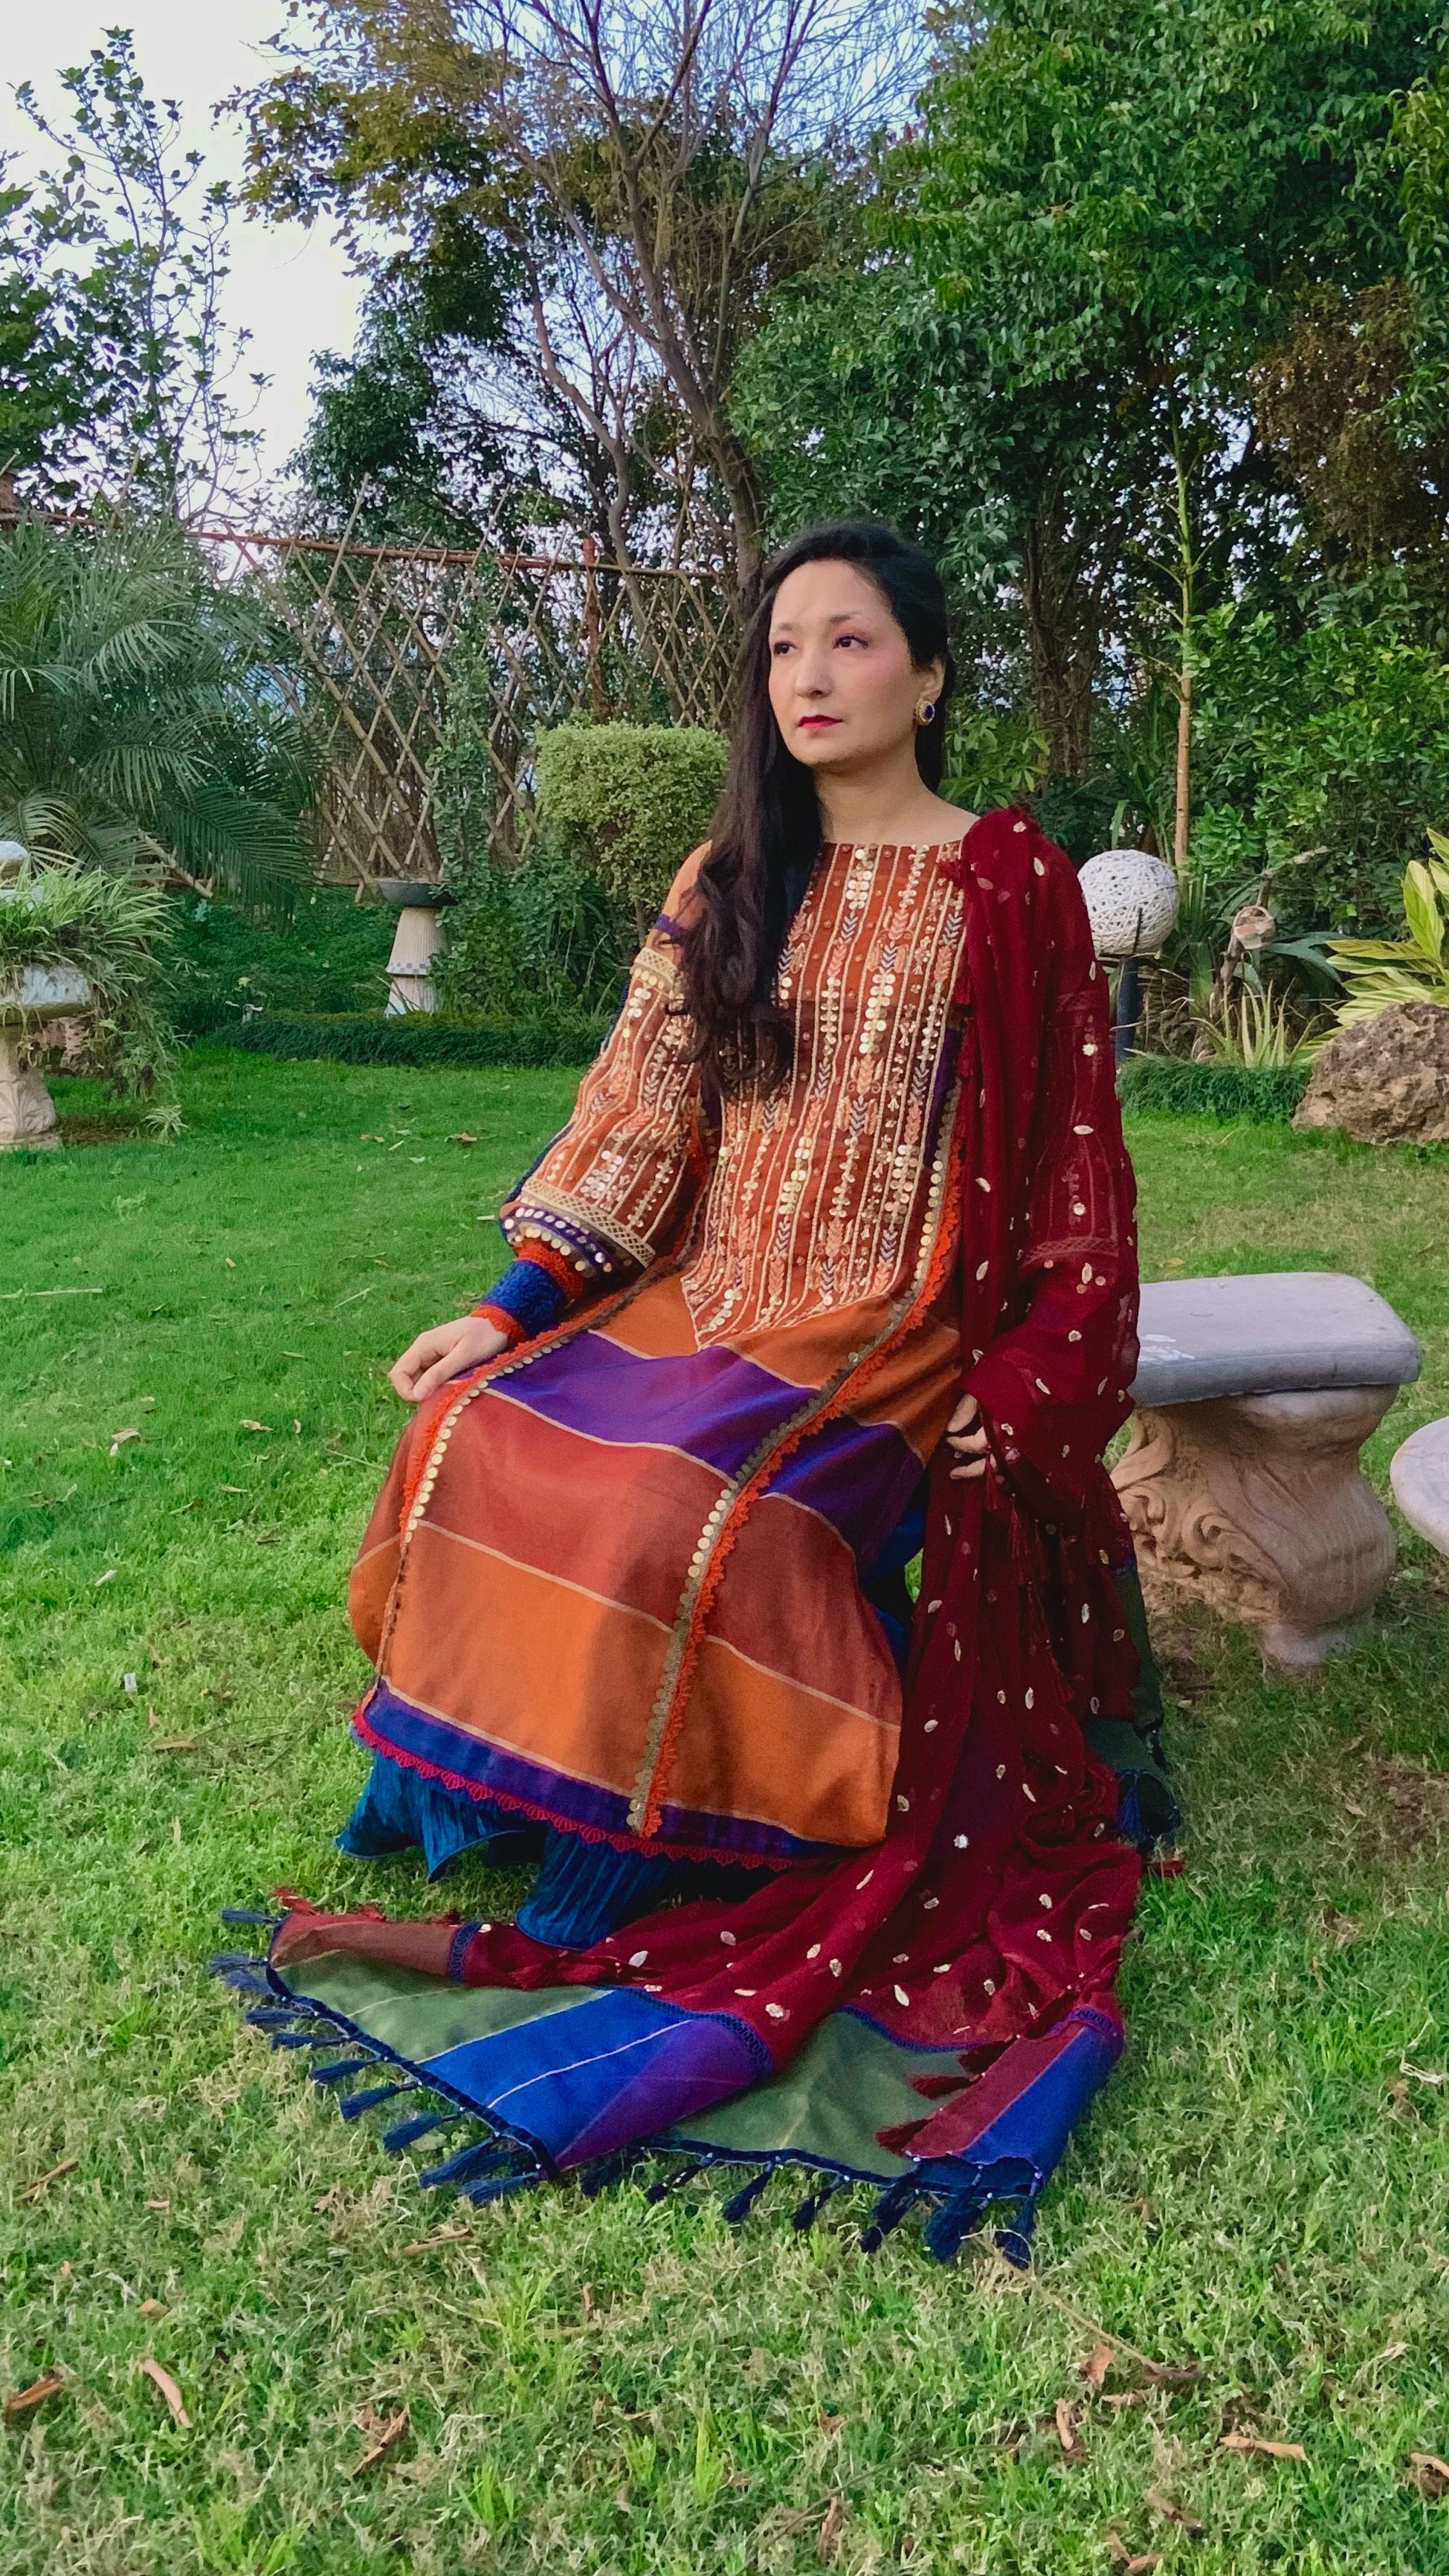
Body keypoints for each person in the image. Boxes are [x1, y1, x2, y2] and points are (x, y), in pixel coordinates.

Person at [266, 520, 1175, 2251]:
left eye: (846, 642)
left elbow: (1076, 1160)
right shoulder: (730, 870)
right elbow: (642, 1112)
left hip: (888, 1322)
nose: (811, 678)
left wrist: (1042, 1366)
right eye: (782, 651)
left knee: (690, 1508)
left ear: (926, 667)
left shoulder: (1010, 882)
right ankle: (464, 1802)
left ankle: (637, 1851)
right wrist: (512, 1296)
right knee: (479, 1424)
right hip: (714, 1285)